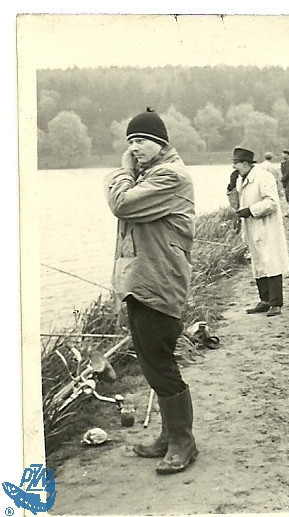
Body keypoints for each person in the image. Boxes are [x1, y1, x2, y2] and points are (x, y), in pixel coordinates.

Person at [104, 108, 198, 474]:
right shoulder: (150, 175)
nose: (134, 147)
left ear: (161, 144)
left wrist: (123, 168)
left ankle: (183, 442)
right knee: (152, 362)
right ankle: (169, 435)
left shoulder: (170, 176)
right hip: (143, 282)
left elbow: (120, 204)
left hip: (160, 282)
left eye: (141, 140)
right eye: (129, 141)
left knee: (159, 362)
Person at [227, 147, 289, 317]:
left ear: (246, 163)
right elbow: (235, 205)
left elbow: (271, 203)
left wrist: (251, 210)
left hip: (266, 225)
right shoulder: (241, 179)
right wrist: (231, 187)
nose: (235, 168)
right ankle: (265, 300)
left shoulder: (263, 177)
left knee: (271, 262)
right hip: (251, 227)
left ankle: (276, 303)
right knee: (258, 263)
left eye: (237, 164)